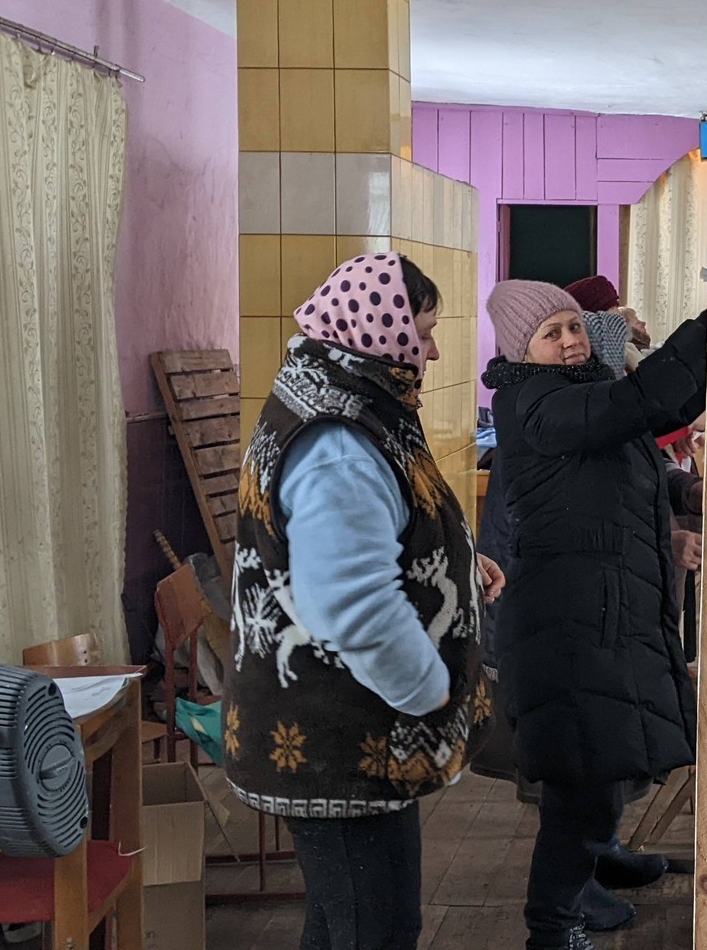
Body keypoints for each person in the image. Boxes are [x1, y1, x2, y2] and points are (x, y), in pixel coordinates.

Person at [225, 252, 503, 950]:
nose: (432, 352)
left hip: (342, 738)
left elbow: (360, 541)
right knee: (375, 931)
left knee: (342, 922)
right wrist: (430, 690)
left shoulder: (331, 396)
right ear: (381, 331)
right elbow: (351, 605)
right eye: (423, 333)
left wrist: (458, 565)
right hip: (342, 738)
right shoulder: (339, 441)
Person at [483, 279, 707, 950]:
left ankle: (599, 857)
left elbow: (631, 447)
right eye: (550, 333)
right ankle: (553, 925)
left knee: (606, 752)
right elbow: (637, 405)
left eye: (574, 326)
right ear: (521, 348)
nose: (570, 340)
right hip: (568, 618)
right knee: (581, 773)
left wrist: (681, 501)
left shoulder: (581, 389)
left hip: (600, 604)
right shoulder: (535, 401)